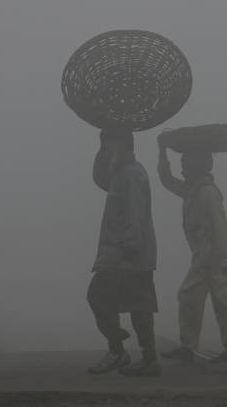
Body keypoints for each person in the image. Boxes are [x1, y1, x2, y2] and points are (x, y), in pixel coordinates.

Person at [157, 137, 227, 363]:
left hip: (213, 257)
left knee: (220, 301)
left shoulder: (206, 192)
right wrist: (162, 152)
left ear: (198, 166)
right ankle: (191, 346)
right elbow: (167, 180)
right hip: (203, 257)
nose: (183, 169)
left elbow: (220, 228)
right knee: (191, 298)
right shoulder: (192, 190)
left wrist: (224, 262)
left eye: (186, 164)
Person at [86, 129, 160, 376]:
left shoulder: (132, 175)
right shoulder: (120, 173)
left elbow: (135, 215)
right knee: (118, 301)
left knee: (134, 304)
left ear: (123, 146)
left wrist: (131, 251)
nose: (108, 152)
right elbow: (99, 179)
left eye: (111, 147)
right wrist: (102, 147)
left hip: (127, 253)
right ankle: (123, 351)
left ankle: (134, 356)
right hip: (118, 253)